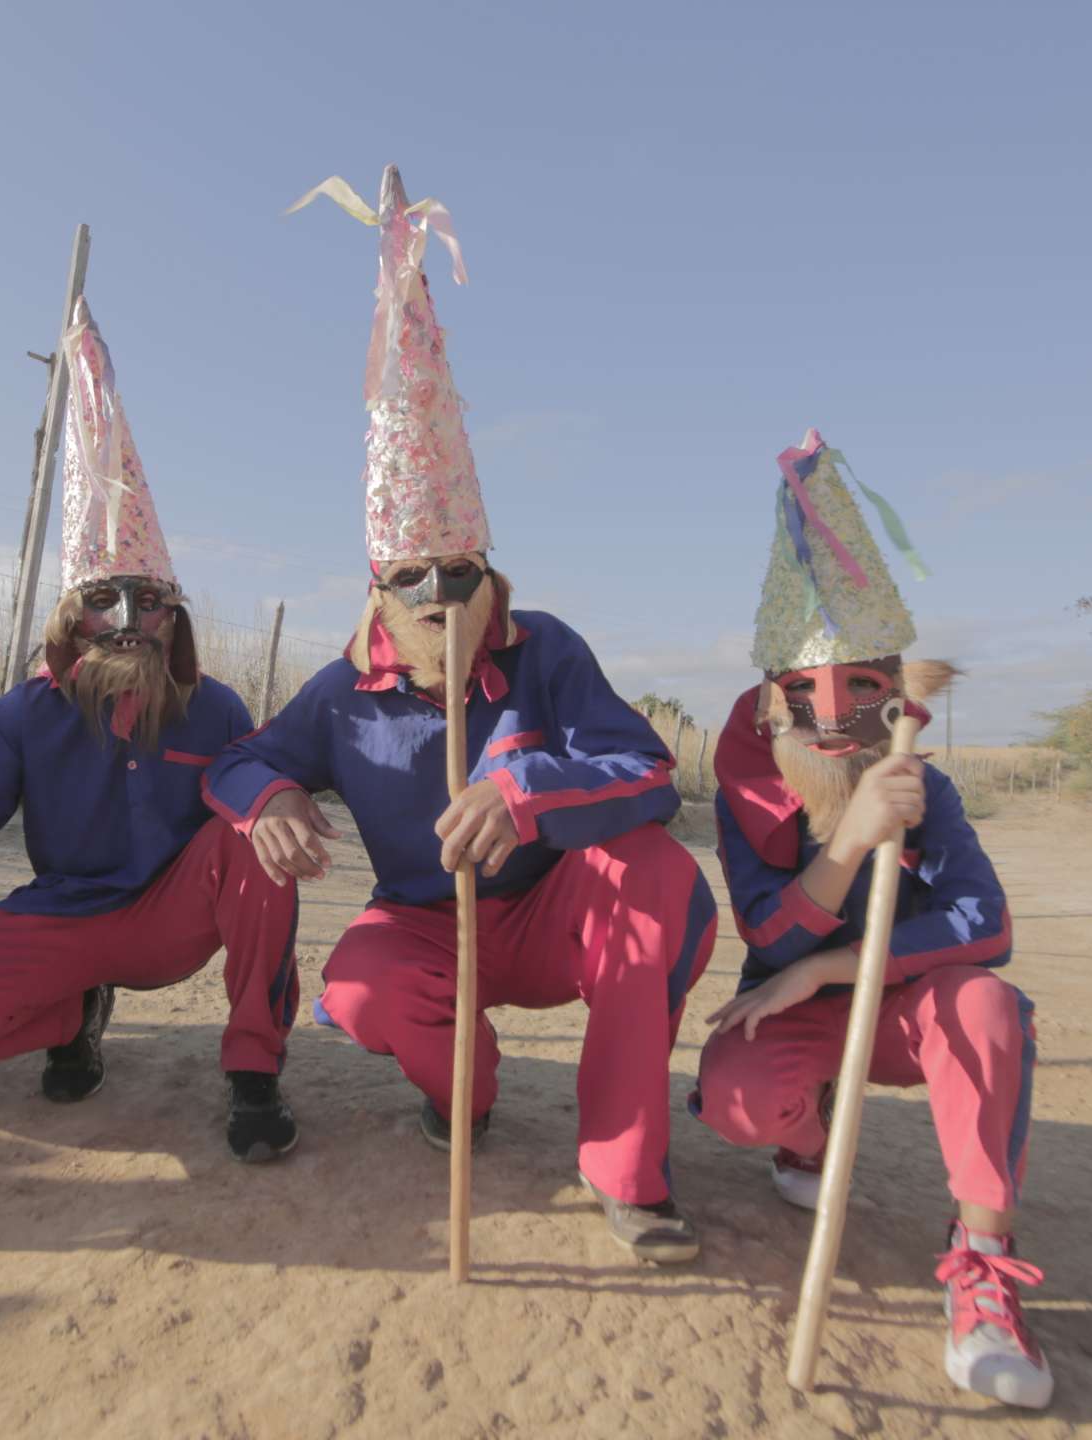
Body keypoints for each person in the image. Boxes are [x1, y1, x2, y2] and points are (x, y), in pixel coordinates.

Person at [206, 168, 718, 1263]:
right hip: (431, 927)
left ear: (490, 574)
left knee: (656, 877)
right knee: (360, 979)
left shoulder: (548, 649)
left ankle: (624, 1169)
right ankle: (466, 1094)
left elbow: (645, 777)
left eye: (458, 573)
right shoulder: (346, 685)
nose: (437, 599)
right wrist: (273, 797)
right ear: (377, 593)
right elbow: (242, 761)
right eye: (412, 580)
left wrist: (524, 791)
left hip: (547, 920)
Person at [0, 299, 304, 1163]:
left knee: (256, 834)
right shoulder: (20, 715)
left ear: (174, 616)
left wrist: (270, 793)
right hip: (64, 916)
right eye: (101, 600)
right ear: (69, 616)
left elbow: (246, 779)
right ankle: (73, 1011)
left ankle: (253, 1069)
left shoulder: (218, 708)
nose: (126, 620)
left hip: (169, 921)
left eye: (148, 599)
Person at [689, 428, 1050, 1408]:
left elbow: (987, 926)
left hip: (905, 1011)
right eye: (804, 697)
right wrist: (846, 842)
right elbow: (770, 938)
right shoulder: (745, 791)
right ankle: (802, 1141)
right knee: (734, 1096)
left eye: (859, 688)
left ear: (893, 693)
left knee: (985, 1008)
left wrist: (833, 969)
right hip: (806, 1012)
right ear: (771, 704)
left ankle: (981, 1266)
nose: (833, 717)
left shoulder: (923, 790)